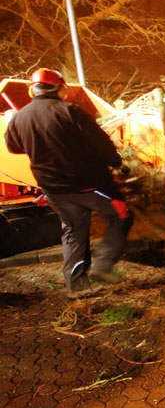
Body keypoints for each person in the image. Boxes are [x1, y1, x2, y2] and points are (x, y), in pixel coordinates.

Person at [4, 68, 133, 298]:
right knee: (122, 214)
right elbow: (100, 142)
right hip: (88, 185)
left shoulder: (20, 116)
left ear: (33, 89)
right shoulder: (71, 111)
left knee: (74, 231)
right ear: (59, 88)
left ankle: (77, 287)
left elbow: (14, 147)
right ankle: (103, 265)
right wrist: (117, 163)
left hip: (53, 188)